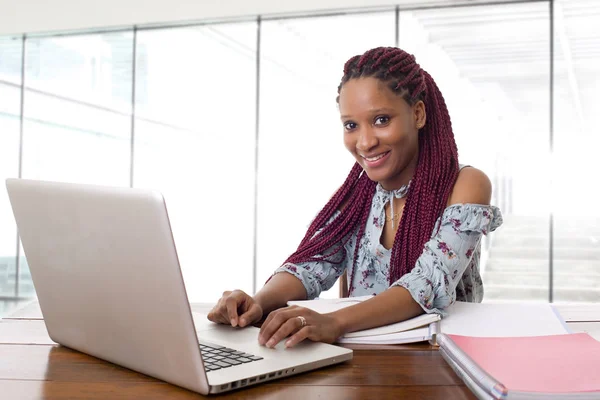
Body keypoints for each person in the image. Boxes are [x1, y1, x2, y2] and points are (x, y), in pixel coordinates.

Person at [207, 46, 502, 349]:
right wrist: (258, 302)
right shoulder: (356, 196)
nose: (365, 142)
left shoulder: (465, 184)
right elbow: (311, 266)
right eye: (351, 125)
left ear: (417, 114)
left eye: (381, 120)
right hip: (363, 361)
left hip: (442, 363)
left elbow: (427, 284)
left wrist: (335, 322)